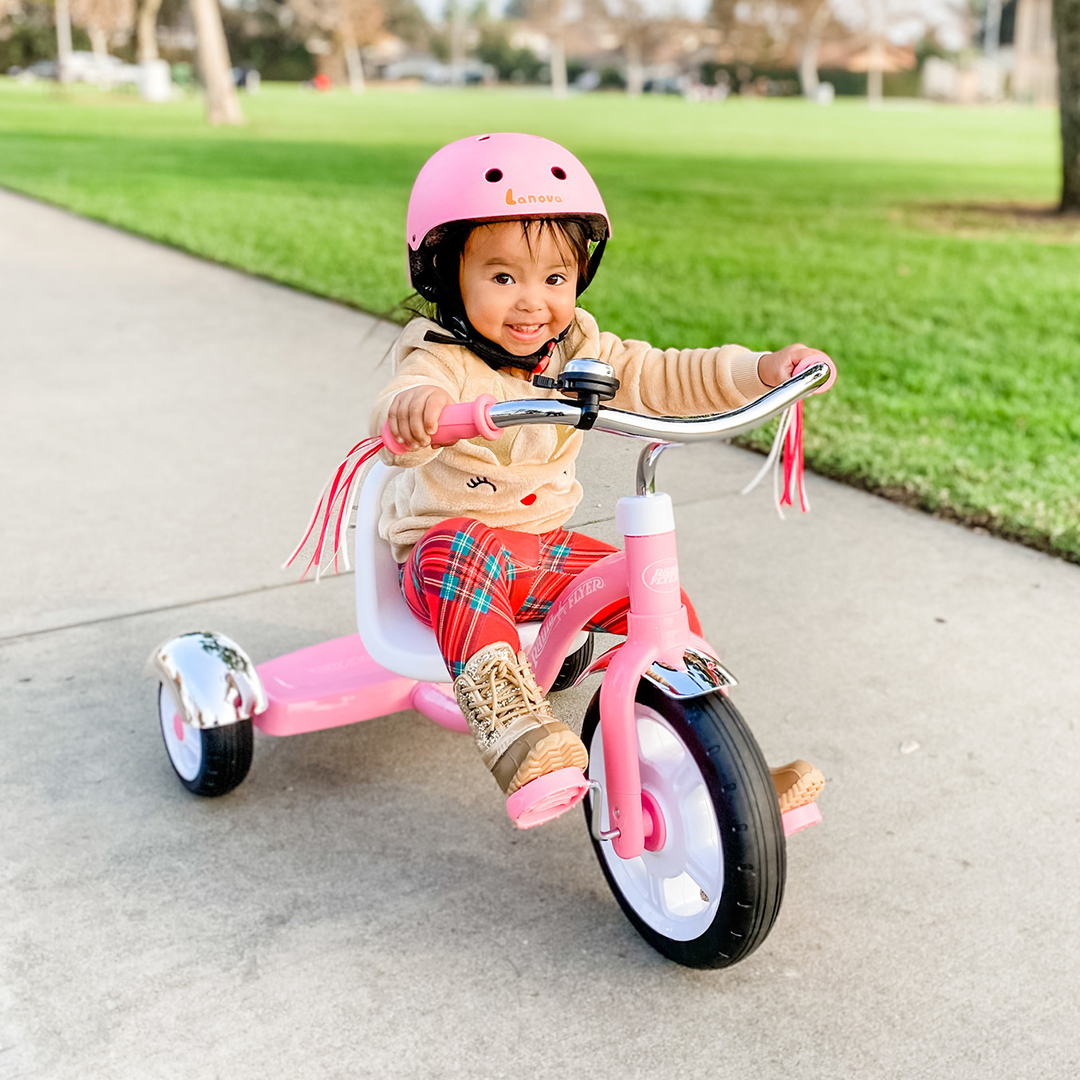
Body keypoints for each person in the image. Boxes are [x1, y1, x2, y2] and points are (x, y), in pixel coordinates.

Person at [372, 132, 826, 819]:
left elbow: (661, 373)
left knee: (652, 594)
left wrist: (761, 369)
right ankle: (514, 734)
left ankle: (708, 750)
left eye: (554, 278)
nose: (533, 302)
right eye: (503, 277)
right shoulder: (437, 356)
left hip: (540, 551)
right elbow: (400, 416)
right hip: (448, 561)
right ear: (444, 275)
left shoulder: (577, 346)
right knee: (461, 547)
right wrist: (417, 413)